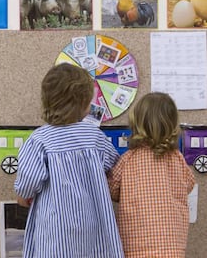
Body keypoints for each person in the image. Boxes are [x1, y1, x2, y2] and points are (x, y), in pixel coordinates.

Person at [14, 63, 124, 257]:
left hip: (56, 231)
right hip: (93, 224)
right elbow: (115, 166)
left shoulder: (40, 139)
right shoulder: (94, 136)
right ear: (83, 103)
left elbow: (28, 181)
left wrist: (23, 196)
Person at [108, 92, 195, 257]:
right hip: (172, 245)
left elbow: (112, 188)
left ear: (137, 124)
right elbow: (189, 185)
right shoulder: (177, 158)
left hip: (135, 245)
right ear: (172, 125)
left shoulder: (128, 159)